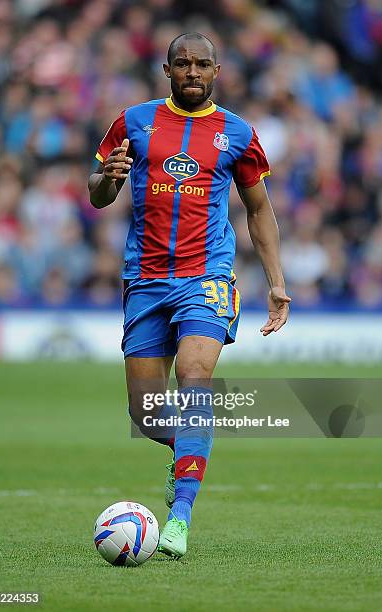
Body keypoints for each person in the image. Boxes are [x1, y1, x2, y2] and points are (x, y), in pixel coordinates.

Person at [88, 32, 291, 560]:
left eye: (202, 64)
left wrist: (276, 281)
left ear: (217, 71)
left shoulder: (237, 133)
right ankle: (191, 452)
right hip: (146, 279)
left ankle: (179, 517)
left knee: (196, 375)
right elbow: (98, 193)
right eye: (183, 64)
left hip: (208, 276)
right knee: (148, 416)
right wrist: (107, 179)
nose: (193, 72)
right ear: (167, 69)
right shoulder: (133, 122)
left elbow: (259, 209)